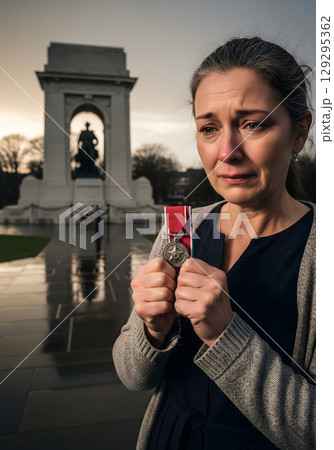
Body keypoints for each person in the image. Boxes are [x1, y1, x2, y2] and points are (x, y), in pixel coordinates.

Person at [113, 37, 315, 450]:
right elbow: (133, 376)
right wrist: (151, 331)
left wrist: (226, 334)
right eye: (209, 128)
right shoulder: (179, 231)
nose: (227, 152)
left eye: (253, 124)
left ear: (300, 132)